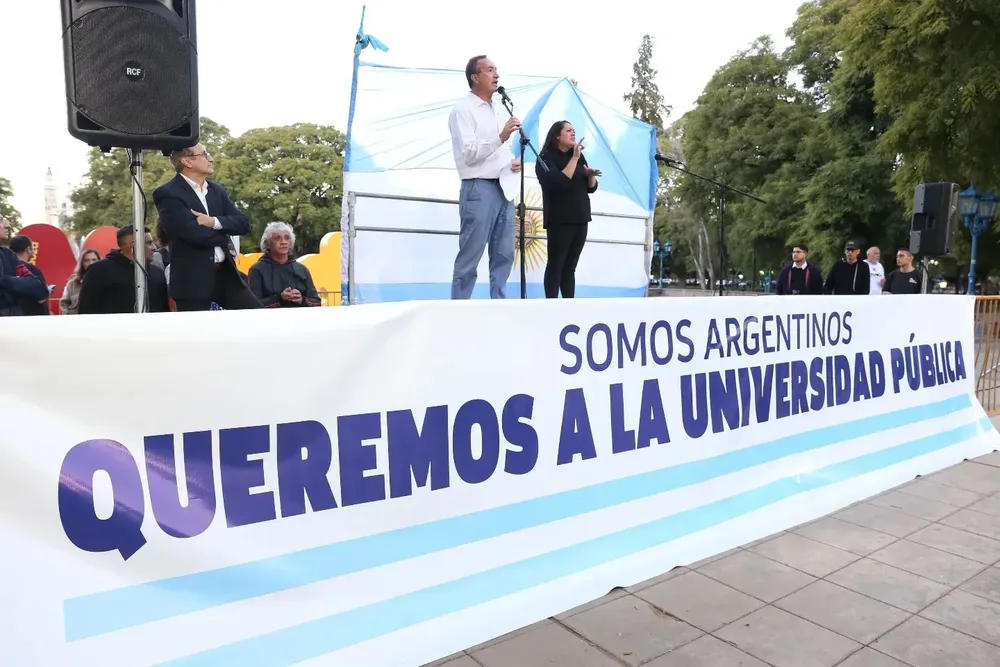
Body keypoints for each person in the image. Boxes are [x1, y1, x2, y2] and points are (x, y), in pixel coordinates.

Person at [448, 54, 523, 299]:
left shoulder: (498, 109)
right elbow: (469, 155)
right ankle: (457, 311)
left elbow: (497, 150)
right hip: (478, 189)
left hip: (503, 188)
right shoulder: (463, 110)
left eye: (496, 70)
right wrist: (501, 137)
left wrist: (510, 163)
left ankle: (499, 308)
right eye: (490, 70)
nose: (496, 75)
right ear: (475, 77)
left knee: (504, 255)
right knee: (470, 254)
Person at [153, 143, 260, 311]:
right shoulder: (167, 193)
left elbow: (244, 224)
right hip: (192, 281)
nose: (211, 158)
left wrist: (213, 222)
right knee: (197, 334)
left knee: (257, 315)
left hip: (226, 275)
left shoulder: (218, 190)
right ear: (187, 161)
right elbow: (193, 234)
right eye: (204, 154)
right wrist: (225, 232)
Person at [535, 121, 599, 298]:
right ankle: (551, 305)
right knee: (556, 265)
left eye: (574, 130)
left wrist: (591, 176)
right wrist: (574, 159)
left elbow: (590, 188)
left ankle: (569, 306)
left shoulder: (577, 155)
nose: (573, 134)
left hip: (581, 217)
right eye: (568, 130)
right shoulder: (546, 157)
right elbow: (558, 183)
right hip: (559, 219)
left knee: (570, 267)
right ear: (557, 135)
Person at [78, 226, 169, 314]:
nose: (154, 248)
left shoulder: (157, 273)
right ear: (133, 245)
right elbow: (86, 310)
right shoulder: (98, 271)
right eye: (149, 243)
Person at [248, 222, 322, 308]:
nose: (283, 242)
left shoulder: (302, 269)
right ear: (268, 244)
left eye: (287, 238)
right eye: (277, 238)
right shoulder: (257, 270)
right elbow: (252, 304)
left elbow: (317, 302)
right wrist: (280, 298)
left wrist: (301, 300)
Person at [0, 216, 47, 316]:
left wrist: (6, 281)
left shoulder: (8, 255)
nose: (7, 225)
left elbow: (39, 288)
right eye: (0, 220)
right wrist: (19, 284)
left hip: (12, 324)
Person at [8, 235, 50, 315]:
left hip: (9, 318)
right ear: (28, 249)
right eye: (33, 248)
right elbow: (42, 297)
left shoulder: (6, 268)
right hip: (32, 318)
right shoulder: (32, 270)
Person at [60, 248, 101, 315]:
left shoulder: (105, 281)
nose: (90, 263)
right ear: (82, 263)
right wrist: (67, 317)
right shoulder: (73, 283)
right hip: (76, 320)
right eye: (86, 260)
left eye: (94, 260)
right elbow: (64, 302)